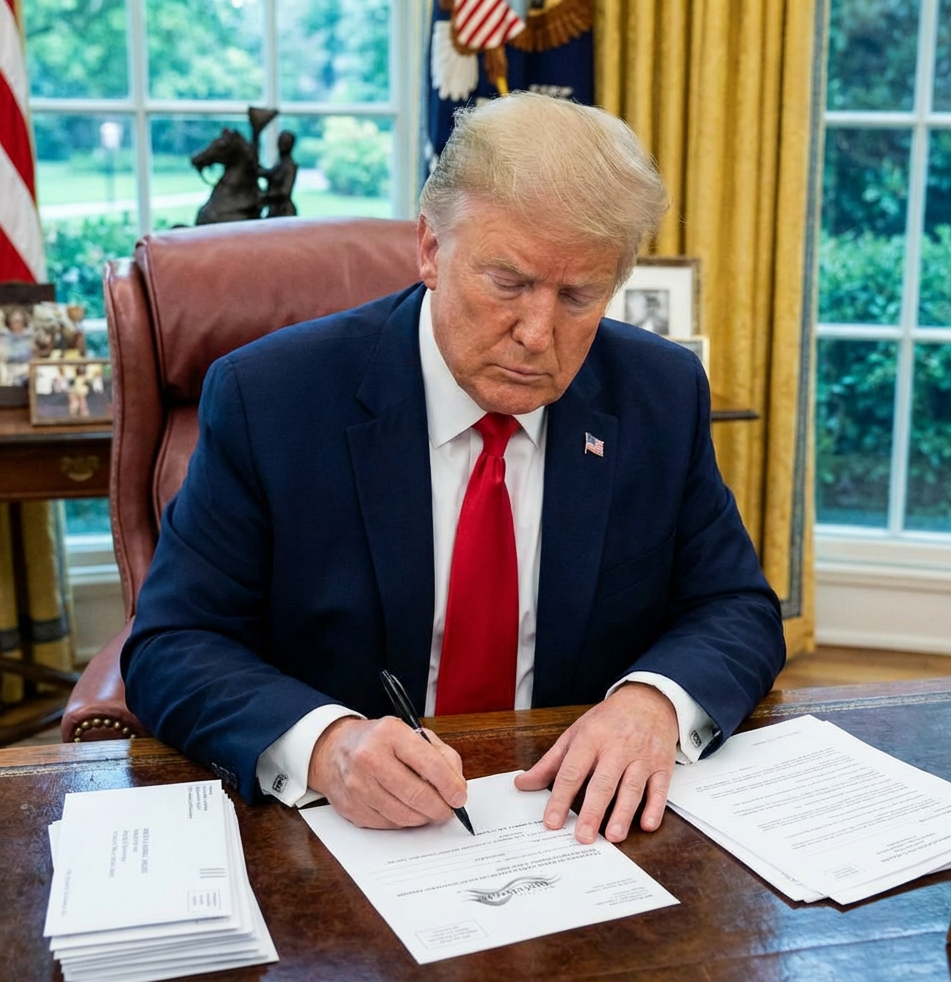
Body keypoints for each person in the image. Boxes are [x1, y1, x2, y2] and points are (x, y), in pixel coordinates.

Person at [123, 93, 785, 846]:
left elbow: (736, 606)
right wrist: (327, 747)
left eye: (578, 296)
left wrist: (654, 703)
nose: (539, 334)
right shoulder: (270, 398)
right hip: (341, 842)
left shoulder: (657, 395)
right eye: (508, 282)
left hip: (570, 830)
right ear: (431, 249)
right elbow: (173, 644)